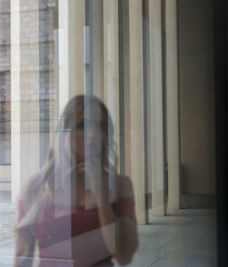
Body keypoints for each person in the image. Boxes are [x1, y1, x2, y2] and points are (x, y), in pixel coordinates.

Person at [14, 95, 138, 267]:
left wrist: (102, 197)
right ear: (64, 132)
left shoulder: (119, 185)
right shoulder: (36, 187)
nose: (93, 135)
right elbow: (22, 257)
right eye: (82, 126)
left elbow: (123, 256)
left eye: (100, 126)